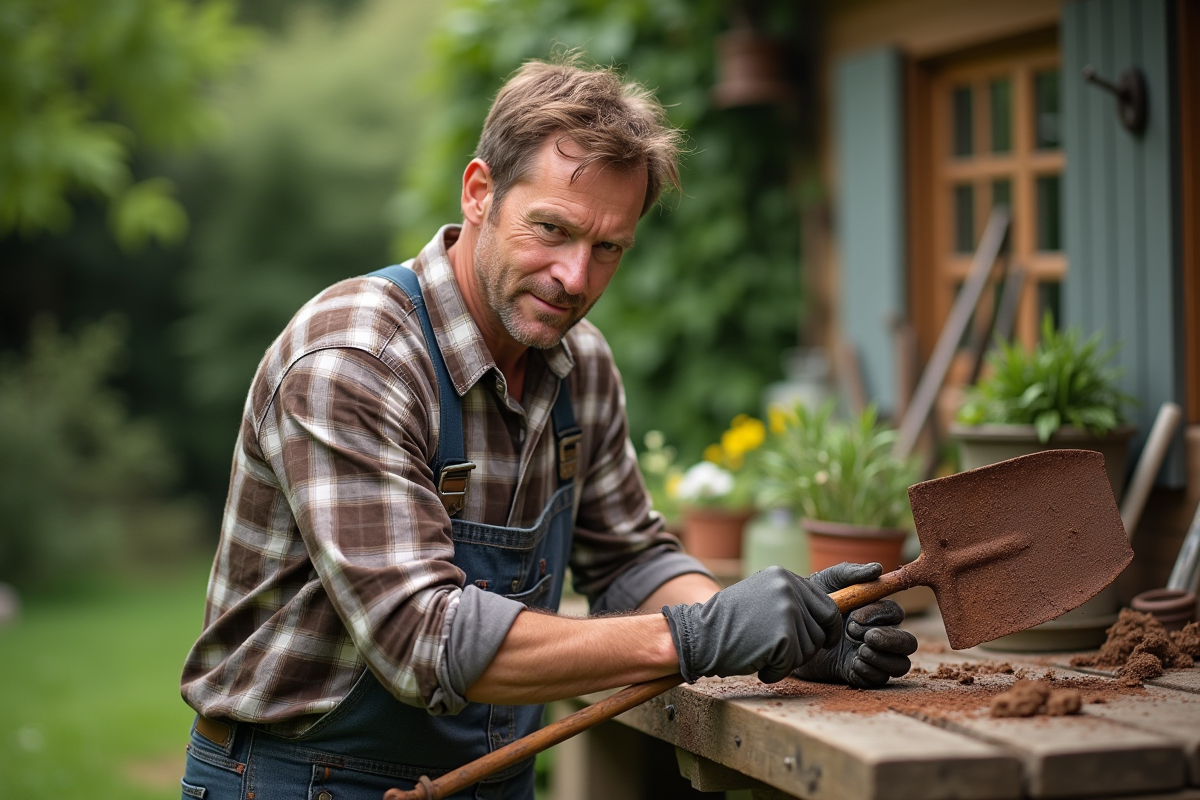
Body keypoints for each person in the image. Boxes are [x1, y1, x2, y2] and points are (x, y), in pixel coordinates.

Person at [179, 57, 917, 800]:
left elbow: (628, 561)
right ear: (480, 193)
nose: (575, 278)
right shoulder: (356, 359)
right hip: (299, 778)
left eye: (608, 248)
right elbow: (421, 638)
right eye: (552, 229)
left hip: (492, 779)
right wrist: (707, 634)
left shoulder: (579, 363)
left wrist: (784, 635)